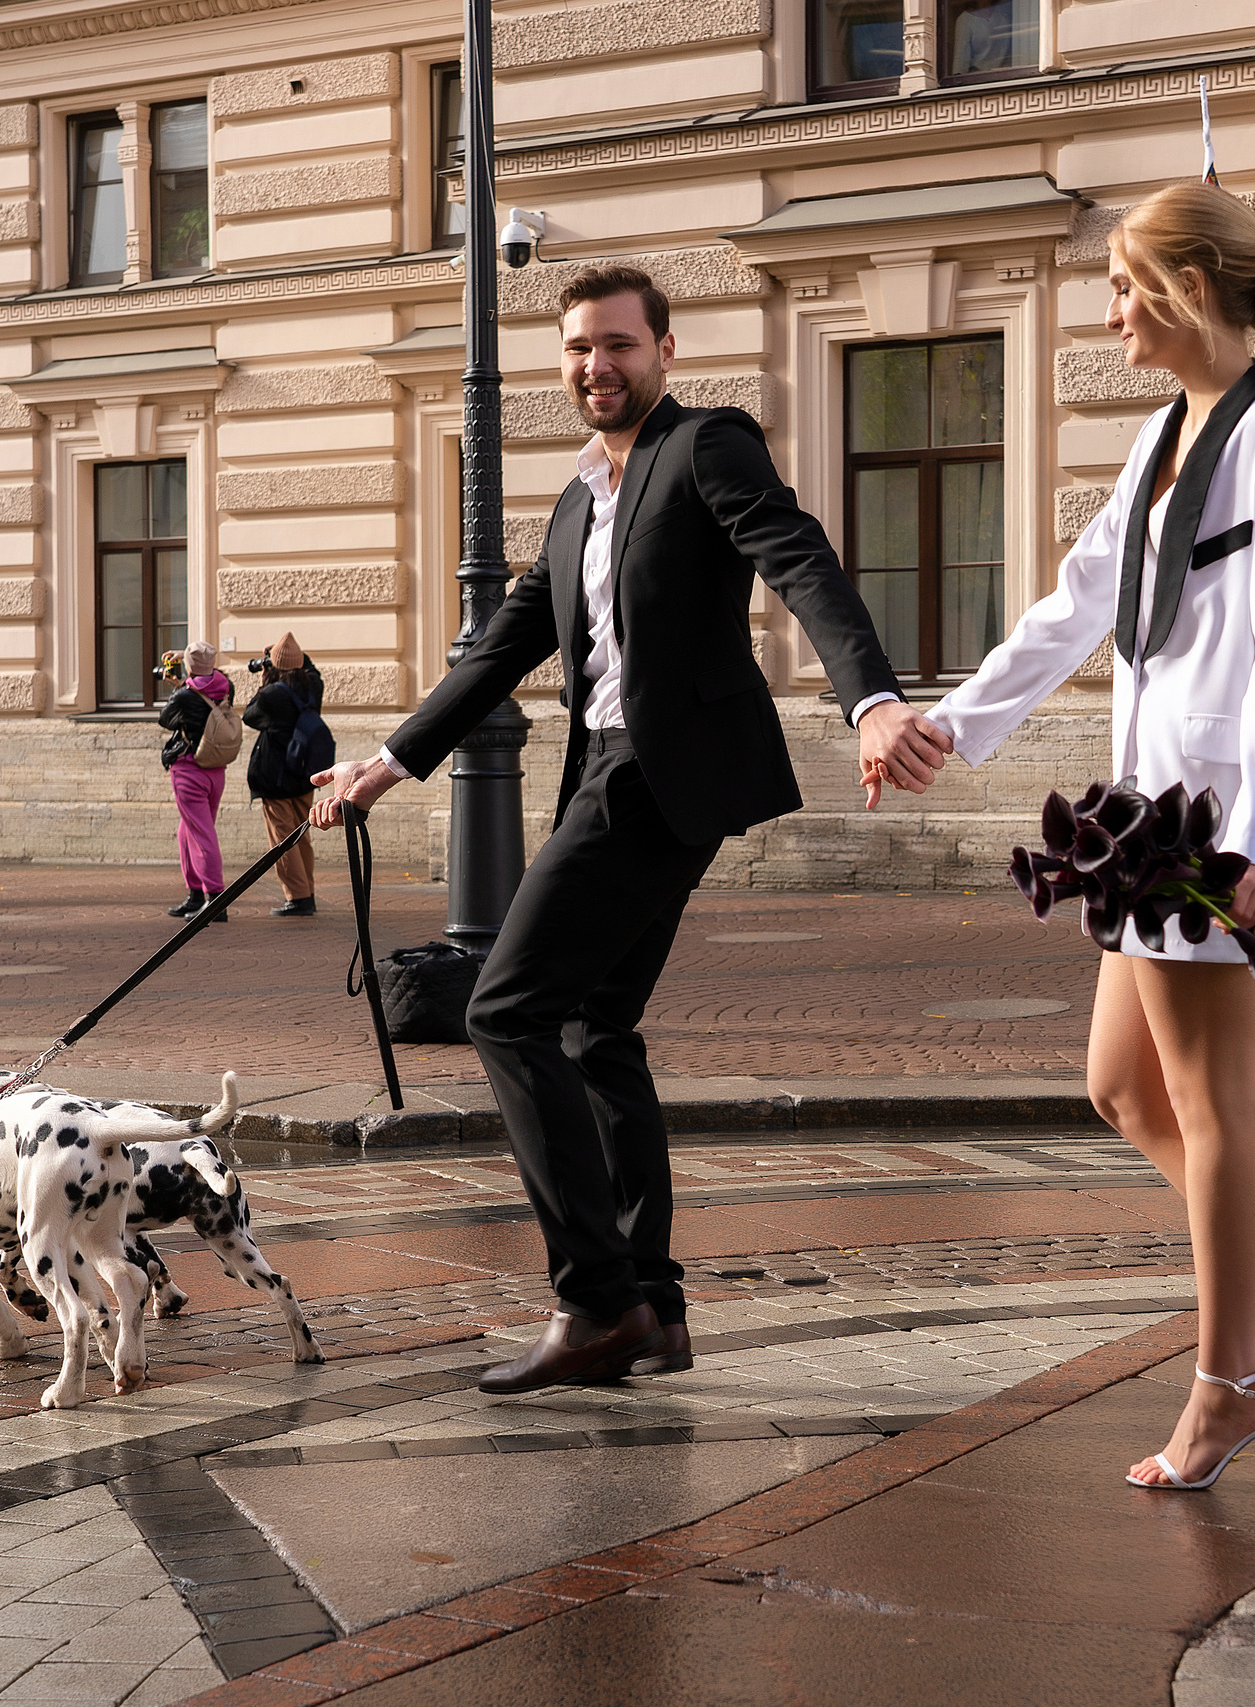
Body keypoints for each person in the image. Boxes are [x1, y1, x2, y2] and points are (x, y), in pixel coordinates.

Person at [313, 264, 952, 1394]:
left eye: (616, 344)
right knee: (590, 1030)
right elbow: (499, 653)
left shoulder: (705, 446)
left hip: (657, 780)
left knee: (507, 1010)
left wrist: (872, 697)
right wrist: (387, 762)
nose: (595, 366)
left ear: (662, 349)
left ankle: (594, 1299)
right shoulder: (572, 504)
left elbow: (797, 557)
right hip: (604, 774)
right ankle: (651, 1309)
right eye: (576, 349)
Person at [887, 184, 1255, 1490]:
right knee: (1125, 1089)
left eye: (1128, 285)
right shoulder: (1160, 438)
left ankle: (1228, 1384)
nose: (1111, 308)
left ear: (1190, 285)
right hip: (1137, 815)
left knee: (1210, 1102)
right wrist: (954, 725)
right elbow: (1080, 600)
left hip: (1210, 824)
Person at [242, 632, 324, 919]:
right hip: (304, 772)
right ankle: (307, 892)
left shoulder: (272, 693)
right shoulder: (313, 685)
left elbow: (249, 715)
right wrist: (285, 655)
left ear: (274, 666)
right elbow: (309, 667)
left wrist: (266, 675)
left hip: (275, 775)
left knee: (282, 839)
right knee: (301, 836)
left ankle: (298, 897)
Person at [155, 638, 235, 920]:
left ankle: (215, 900)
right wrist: (187, 667)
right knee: (188, 831)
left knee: (202, 835)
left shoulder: (184, 696)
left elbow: (166, 720)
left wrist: (177, 687)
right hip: (216, 770)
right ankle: (195, 894)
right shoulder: (226, 686)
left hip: (189, 770)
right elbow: (209, 677)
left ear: (189, 668)